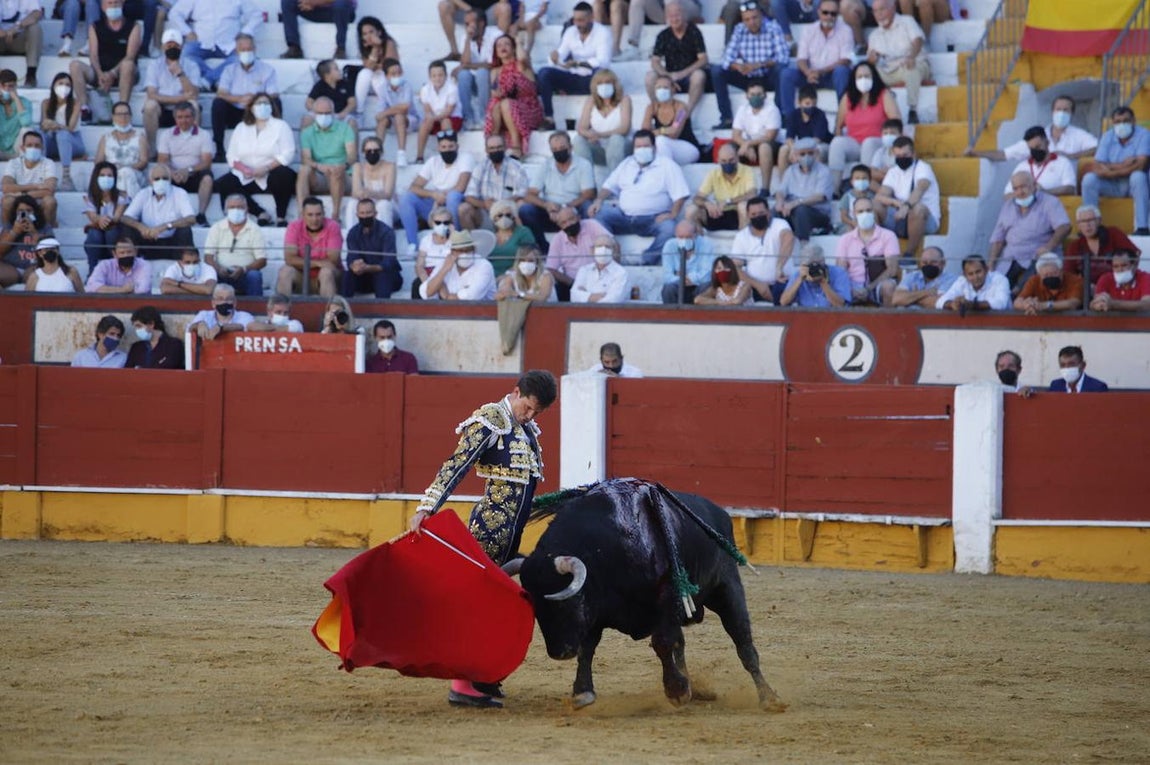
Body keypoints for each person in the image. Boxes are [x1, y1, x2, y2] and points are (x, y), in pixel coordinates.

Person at [409, 368, 558, 708]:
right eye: (529, 407)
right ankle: (463, 685)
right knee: (479, 608)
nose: (531, 415)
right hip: (488, 535)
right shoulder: (491, 419)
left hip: (509, 537)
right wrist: (427, 507)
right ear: (516, 392)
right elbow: (456, 465)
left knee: (503, 607)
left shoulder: (524, 429)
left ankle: (485, 677)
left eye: (538, 412)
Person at [589, 130, 690, 265]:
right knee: (598, 214)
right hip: (624, 216)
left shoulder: (667, 165)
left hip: (653, 219)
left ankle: (647, 260)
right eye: (638, 147)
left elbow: (681, 194)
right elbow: (608, 185)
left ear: (654, 148)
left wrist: (673, 213)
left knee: (670, 228)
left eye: (646, 146)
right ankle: (613, 251)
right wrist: (598, 200)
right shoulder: (626, 164)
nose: (641, 150)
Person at [214, 93, 297, 227]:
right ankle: (260, 213)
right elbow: (232, 156)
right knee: (225, 183)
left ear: (271, 107)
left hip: (271, 172)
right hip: (247, 175)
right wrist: (245, 169)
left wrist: (266, 168)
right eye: (259, 103)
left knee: (283, 175)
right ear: (251, 108)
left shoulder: (281, 126)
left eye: (266, 103)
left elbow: (287, 154)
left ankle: (281, 216)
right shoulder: (241, 127)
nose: (262, 106)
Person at [987, 171, 1071, 292]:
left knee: (1023, 288)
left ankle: (1016, 295)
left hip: (1039, 255)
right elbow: (998, 239)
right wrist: (991, 263)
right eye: (1016, 188)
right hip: (1012, 256)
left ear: (1034, 185)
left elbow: (1065, 226)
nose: (1020, 192)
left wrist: (1048, 247)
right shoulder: (1008, 206)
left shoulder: (1050, 202)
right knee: (994, 286)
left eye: (1023, 187)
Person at [711, 1, 789, 129]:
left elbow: (783, 58)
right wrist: (738, 66)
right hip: (747, 77)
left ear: (761, 16)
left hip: (766, 76)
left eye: (754, 18)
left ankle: (779, 114)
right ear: (742, 20)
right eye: (747, 19)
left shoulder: (773, 27)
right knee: (717, 71)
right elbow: (726, 59)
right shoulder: (740, 29)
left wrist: (759, 65)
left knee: (781, 70)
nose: (751, 22)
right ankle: (726, 118)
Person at [537, 2, 612, 127]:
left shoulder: (602, 32)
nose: (578, 24)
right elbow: (561, 55)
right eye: (575, 20)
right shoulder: (571, 31)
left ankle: (598, 119)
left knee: (601, 74)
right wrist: (554, 58)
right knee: (544, 73)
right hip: (574, 76)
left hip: (592, 78)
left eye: (581, 20)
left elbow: (603, 61)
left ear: (591, 18)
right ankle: (549, 117)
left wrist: (578, 63)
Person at [828, 61, 900, 190]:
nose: (863, 80)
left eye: (867, 76)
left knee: (868, 143)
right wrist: (838, 135)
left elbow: (896, 122)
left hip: (878, 143)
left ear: (874, 77)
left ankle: (867, 187)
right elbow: (838, 126)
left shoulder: (884, 95)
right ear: (854, 80)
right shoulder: (848, 98)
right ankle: (834, 189)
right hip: (855, 143)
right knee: (837, 143)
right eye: (859, 77)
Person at [397, 130, 474, 249]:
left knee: (453, 196)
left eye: (450, 146)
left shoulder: (465, 158)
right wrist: (433, 195)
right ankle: (412, 245)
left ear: (457, 146)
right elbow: (414, 187)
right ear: (439, 148)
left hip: (457, 203)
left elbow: (461, 186)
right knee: (406, 198)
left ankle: (455, 240)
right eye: (443, 147)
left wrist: (442, 197)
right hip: (436, 205)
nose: (447, 150)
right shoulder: (433, 161)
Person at [519, 131, 596, 248]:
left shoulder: (583, 164)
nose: (558, 151)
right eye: (554, 149)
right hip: (551, 213)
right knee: (526, 210)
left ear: (570, 148)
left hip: (574, 210)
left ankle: (585, 246)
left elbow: (589, 193)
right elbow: (529, 194)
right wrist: (546, 205)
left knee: (587, 206)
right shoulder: (545, 165)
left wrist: (565, 208)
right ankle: (543, 247)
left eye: (562, 148)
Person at [1081, 106, 1150, 236]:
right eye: (1117, 122)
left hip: (1132, 185)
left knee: (1138, 176)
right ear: (1113, 123)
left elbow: (1141, 164)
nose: (1121, 124)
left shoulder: (1144, 134)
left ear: (1134, 121)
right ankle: (1089, 224)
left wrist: (1109, 168)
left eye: (1126, 120)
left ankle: (1142, 227)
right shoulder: (1108, 136)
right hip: (1111, 184)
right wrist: (1123, 165)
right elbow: (1097, 167)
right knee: (1089, 179)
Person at [69, 0, 140, 123]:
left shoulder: (134, 26)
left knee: (128, 65)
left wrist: (112, 73)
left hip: (124, 73)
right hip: (101, 73)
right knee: (75, 66)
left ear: (122, 4)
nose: (113, 6)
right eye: (110, 3)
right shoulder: (95, 26)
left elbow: (130, 55)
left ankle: (122, 109)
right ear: (103, 6)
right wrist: (100, 73)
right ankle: (85, 109)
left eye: (116, 3)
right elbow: (94, 56)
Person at [778, 0, 852, 119]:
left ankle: (844, 117)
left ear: (837, 14)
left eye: (833, 14)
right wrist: (808, 72)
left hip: (831, 76)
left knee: (842, 71)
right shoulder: (809, 30)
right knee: (786, 74)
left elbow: (845, 60)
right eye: (825, 13)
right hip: (810, 75)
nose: (829, 17)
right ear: (818, 12)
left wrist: (820, 71)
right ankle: (789, 120)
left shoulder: (845, 30)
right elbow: (801, 59)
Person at [970, 95, 1099, 162]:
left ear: (1072, 113)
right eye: (1058, 109)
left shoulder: (1078, 135)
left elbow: (1098, 147)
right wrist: (976, 153)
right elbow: (1004, 154)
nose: (1061, 113)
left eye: (1066, 110)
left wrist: (1072, 156)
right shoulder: (1039, 136)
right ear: (1052, 112)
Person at [211, 34, 279, 161]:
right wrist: (239, 99)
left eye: (249, 49)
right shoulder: (229, 70)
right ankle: (219, 149)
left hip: (257, 112)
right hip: (235, 111)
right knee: (218, 104)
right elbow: (221, 92)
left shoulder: (267, 70)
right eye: (243, 50)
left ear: (255, 49)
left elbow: (273, 94)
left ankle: (274, 147)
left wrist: (255, 100)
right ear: (237, 51)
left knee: (276, 103)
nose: (247, 52)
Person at [167, 0, 263, 88]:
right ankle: (217, 79)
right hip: (201, 43)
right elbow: (174, 14)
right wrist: (187, 32)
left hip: (230, 43)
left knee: (243, 57)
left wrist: (245, 33)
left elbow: (257, 15)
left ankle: (207, 80)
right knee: (185, 55)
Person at [875, 135, 940, 263]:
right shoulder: (893, 172)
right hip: (900, 217)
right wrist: (895, 202)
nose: (901, 159)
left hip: (924, 220)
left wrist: (906, 206)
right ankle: (877, 250)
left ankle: (909, 254)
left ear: (913, 153)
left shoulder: (923, 168)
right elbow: (880, 196)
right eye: (898, 156)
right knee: (874, 206)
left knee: (918, 208)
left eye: (905, 155)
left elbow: (920, 188)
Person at [867, 0, 929, 125]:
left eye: (882, 9)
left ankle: (912, 110)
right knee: (867, 73)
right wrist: (871, 60)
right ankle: (872, 112)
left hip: (910, 64)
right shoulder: (874, 35)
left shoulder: (907, 21)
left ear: (893, 8)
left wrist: (912, 56)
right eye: (875, 11)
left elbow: (918, 40)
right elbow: (871, 58)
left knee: (912, 68)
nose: (879, 14)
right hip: (887, 70)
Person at [142, 30, 202, 158]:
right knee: (150, 106)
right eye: (169, 45)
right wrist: (179, 98)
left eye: (176, 45)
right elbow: (152, 94)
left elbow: (193, 94)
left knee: (193, 105)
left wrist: (180, 73)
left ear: (181, 47)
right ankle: (151, 148)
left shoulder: (191, 65)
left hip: (183, 110)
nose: (172, 48)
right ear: (163, 47)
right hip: (163, 110)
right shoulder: (155, 65)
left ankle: (193, 149)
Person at [295, 97, 356, 218]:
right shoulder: (307, 133)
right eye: (320, 113)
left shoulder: (345, 128)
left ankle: (335, 215)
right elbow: (305, 158)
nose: (324, 116)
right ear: (314, 114)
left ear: (333, 113)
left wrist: (342, 166)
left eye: (327, 113)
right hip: (319, 174)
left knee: (337, 172)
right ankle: (302, 215)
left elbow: (352, 156)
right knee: (303, 170)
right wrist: (319, 166)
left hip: (343, 175)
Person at [646, 0, 710, 115]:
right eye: (671, 16)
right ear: (667, 17)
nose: (674, 19)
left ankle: (686, 114)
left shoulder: (694, 32)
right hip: (669, 77)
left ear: (684, 15)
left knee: (699, 75)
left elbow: (703, 59)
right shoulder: (663, 35)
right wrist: (667, 76)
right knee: (650, 77)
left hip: (688, 77)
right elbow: (655, 61)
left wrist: (682, 74)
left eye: (677, 15)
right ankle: (657, 111)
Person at [485, 34, 542, 160]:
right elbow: (494, 93)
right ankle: (493, 143)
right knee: (496, 103)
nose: (502, 47)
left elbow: (522, 57)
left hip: (528, 109)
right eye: (499, 45)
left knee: (506, 103)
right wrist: (497, 94)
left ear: (513, 48)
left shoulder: (521, 65)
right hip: (504, 110)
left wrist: (518, 42)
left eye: (507, 44)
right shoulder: (495, 71)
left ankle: (516, 146)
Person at [156, 101, 213, 227]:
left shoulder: (204, 134)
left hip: (195, 174)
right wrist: (173, 172)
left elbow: (207, 162)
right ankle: (161, 214)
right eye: (180, 117)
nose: (184, 120)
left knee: (208, 178)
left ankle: (201, 214)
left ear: (193, 118)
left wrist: (188, 170)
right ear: (175, 118)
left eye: (187, 117)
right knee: (159, 176)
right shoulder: (166, 134)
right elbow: (162, 160)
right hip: (174, 174)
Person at [122, 164, 196, 260]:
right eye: (157, 179)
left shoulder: (180, 193)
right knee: (128, 228)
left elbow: (191, 219)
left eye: (165, 178)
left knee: (185, 230)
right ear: (150, 181)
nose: (161, 181)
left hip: (171, 243)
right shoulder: (143, 193)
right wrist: (141, 227)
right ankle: (129, 263)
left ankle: (184, 264)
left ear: (170, 180)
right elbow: (125, 217)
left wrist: (166, 226)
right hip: (147, 241)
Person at [835, 195, 899, 304]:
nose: (865, 214)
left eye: (869, 210)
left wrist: (869, 288)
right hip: (852, 285)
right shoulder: (845, 239)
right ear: (854, 215)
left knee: (888, 287)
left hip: (877, 284)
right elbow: (841, 270)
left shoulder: (888, 236)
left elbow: (892, 270)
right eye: (860, 211)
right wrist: (851, 290)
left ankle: (888, 320)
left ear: (874, 212)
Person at [461, 133, 530, 231]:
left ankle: (522, 241)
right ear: (486, 150)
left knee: (522, 205)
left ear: (505, 147)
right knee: (463, 209)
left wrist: (500, 205)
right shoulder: (480, 167)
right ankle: (472, 244)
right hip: (486, 213)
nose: (495, 150)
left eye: (499, 147)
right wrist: (484, 204)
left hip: (509, 212)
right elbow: (469, 196)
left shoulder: (517, 167)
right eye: (492, 148)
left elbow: (522, 193)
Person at [277, 196, 343, 298]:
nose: (314, 219)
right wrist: (317, 263)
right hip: (301, 276)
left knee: (326, 272)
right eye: (310, 215)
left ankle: (329, 312)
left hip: (327, 277)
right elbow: (289, 259)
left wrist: (304, 262)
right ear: (303, 215)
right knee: (285, 271)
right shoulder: (294, 227)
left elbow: (332, 260)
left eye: (318, 214)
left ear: (324, 214)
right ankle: (281, 311)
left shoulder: (333, 226)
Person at [731, 195, 793, 303]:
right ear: (748, 216)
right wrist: (758, 285)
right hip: (755, 287)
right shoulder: (741, 236)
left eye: (761, 213)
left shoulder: (779, 224)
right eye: (753, 214)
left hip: (782, 282)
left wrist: (779, 267)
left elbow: (788, 238)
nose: (758, 217)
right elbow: (735, 267)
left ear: (768, 212)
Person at [774, 137, 834, 246]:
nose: (806, 157)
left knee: (801, 210)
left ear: (816, 153)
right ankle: (772, 244)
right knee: (774, 211)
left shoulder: (824, 171)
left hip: (817, 214)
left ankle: (803, 245)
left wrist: (796, 203)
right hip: (793, 211)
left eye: (810, 153)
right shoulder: (791, 171)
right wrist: (780, 202)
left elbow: (819, 197)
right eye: (802, 154)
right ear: (796, 155)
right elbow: (781, 190)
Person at [203, 194, 267, 296]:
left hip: (245, 274)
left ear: (247, 210)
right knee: (209, 274)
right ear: (225, 210)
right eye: (232, 207)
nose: (236, 210)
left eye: (240, 207)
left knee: (255, 276)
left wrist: (243, 269)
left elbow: (262, 260)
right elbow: (208, 257)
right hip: (221, 274)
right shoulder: (216, 228)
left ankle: (255, 310)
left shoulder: (255, 229)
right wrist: (219, 268)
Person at [1063, 204, 1139, 287]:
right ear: (1078, 225)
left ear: (1099, 221)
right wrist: (1085, 286)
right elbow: (1068, 274)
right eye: (1083, 221)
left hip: (1116, 286)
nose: (1087, 225)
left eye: (1091, 220)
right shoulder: (1074, 246)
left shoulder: (1114, 233)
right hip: (1088, 290)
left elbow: (1135, 255)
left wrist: (1127, 277)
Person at [687, 142, 756, 231]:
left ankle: (742, 240)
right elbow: (697, 198)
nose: (728, 163)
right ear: (718, 160)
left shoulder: (747, 171)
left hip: (737, 215)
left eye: (731, 160)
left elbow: (752, 194)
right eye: (724, 161)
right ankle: (699, 242)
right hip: (717, 213)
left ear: (737, 158)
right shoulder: (713, 174)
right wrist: (707, 203)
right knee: (691, 210)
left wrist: (729, 201)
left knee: (743, 206)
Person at [546, 205, 610, 301]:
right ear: (559, 226)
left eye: (571, 219)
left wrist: (611, 272)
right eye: (563, 223)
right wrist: (573, 283)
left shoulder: (592, 225)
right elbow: (551, 269)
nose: (568, 224)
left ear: (579, 217)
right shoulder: (557, 240)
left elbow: (613, 244)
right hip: (572, 283)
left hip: (598, 279)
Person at [343, 198, 402, 299]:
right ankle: (341, 308)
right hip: (364, 277)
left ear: (375, 213)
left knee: (382, 275)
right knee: (348, 275)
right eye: (362, 213)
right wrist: (355, 266)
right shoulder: (353, 233)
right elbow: (352, 257)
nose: (365, 216)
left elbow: (389, 262)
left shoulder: (386, 232)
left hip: (388, 277)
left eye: (368, 212)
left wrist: (368, 267)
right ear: (357, 215)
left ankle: (382, 311)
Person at [573, 68, 631, 170]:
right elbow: (582, 128)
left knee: (616, 139)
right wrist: (589, 135)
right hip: (599, 147)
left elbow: (624, 129)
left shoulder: (624, 100)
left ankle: (614, 183)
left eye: (608, 82)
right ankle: (587, 183)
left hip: (621, 148)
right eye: (600, 83)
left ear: (614, 84)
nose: (604, 86)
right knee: (578, 140)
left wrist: (599, 135)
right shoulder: (591, 100)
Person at [730, 81, 781, 194]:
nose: (755, 97)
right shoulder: (742, 109)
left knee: (764, 147)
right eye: (752, 94)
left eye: (759, 94)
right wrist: (747, 145)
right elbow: (735, 135)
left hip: (771, 144)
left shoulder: (772, 110)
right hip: (751, 143)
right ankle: (735, 189)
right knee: (730, 149)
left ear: (765, 95)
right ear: (747, 96)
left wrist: (748, 144)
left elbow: (769, 136)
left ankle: (765, 189)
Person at [456, 9, 503, 129]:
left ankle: (485, 117)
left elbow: (493, 64)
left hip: (493, 81)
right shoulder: (465, 37)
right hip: (475, 81)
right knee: (463, 75)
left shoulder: (496, 35)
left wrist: (469, 65)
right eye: (466, 24)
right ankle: (468, 119)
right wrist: (468, 38)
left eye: (470, 24)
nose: (468, 28)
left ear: (481, 23)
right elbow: (465, 62)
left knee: (482, 73)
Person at [420, 229, 497, 300]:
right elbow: (427, 292)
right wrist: (443, 271)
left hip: (481, 312)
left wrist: (446, 296)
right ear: (452, 252)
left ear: (474, 250)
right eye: (460, 250)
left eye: (468, 250)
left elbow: (471, 296)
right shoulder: (446, 263)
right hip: (451, 313)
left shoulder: (484, 265)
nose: (465, 254)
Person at [40, 73, 85, 193]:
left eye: (67, 85)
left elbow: (70, 128)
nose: (64, 87)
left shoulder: (75, 103)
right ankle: (41, 175)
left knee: (63, 134)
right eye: (60, 83)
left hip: (73, 142)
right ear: (54, 85)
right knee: (38, 135)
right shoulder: (46, 103)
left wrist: (56, 125)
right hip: (53, 142)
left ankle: (66, 177)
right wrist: (47, 125)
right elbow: (43, 125)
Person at [1002, 126, 1077, 197]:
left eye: (1038, 146)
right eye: (1032, 149)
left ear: (1047, 143)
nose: (1035, 151)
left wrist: (1044, 193)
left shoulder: (1063, 162)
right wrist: (1024, 194)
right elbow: (1007, 195)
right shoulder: (1022, 166)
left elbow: (1070, 188)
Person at [643, 73, 701, 165]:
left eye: (665, 88)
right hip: (665, 148)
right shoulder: (651, 108)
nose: (661, 90)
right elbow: (644, 132)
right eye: (658, 88)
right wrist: (664, 131)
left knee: (661, 141)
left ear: (673, 89)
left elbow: (675, 132)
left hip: (687, 148)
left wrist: (658, 131)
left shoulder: (682, 107)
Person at [1, 131, 57, 227]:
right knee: (7, 201)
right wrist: (35, 186)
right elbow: (6, 187)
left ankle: (45, 234)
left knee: (50, 201)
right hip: (18, 202)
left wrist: (21, 194)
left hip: (37, 202)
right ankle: (7, 232)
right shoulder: (13, 163)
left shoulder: (48, 163)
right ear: (22, 148)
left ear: (42, 148)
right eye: (29, 145)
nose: (33, 148)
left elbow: (49, 190)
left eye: (37, 145)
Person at [95, 101, 147, 198]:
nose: (123, 117)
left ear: (131, 116)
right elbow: (99, 161)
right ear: (113, 117)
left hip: (134, 174)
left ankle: (129, 208)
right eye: (119, 114)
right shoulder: (106, 137)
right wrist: (112, 169)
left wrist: (126, 168)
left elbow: (143, 161)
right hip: (111, 174)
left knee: (125, 173)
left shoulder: (140, 136)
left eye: (126, 114)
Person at [416, 60, 463, 164]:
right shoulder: (425, 89)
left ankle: (448, 154)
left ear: (446, 75)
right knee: (425, 123)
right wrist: (431, 119)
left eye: (440, 75)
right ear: (430, 77)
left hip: (452, 119)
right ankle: (419, 156)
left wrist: (434, 118)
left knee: (445, 121)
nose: (437, 78)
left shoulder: (452, 88)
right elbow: (427, 109)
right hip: (435, 119)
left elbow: (449, 111)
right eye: (434, 75)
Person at [0, 193, 52, 287]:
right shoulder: (9, 225)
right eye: (20, 211)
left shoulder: (44, 227)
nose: (25, 214)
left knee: (40, 276)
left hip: (34, 267)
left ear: (35, 212)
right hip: (10, 267)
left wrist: (34, 232)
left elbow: (50, 252)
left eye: (29, 211)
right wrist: (14, 232)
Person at [436, 0, 513, 63]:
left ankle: (498, 53)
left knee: (504, 7)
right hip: (466, 11)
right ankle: (454, 52)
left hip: (487, 12)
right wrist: (470, 10)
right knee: (443, 6)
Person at [374, 59, 418, 167]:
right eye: (393, 74)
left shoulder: (406, 85)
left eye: (399, 73)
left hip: (410, 119)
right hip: (391, 120)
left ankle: (401, 153)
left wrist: (387, 112)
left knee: (399, 116)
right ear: (386, 76)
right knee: (382, 121)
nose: (397, 76)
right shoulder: (382, 88)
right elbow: (379, 114)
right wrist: (386, 113)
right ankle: (377, 151)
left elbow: (405, 107)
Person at [779, 84, 832, 173]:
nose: (811, 106)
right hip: (802, 146)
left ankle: (815, 182)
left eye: (813, 103)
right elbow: (789, 138)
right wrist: (793, 148)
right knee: (784, 150)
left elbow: (817, 140)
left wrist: (799, 151)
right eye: (807, 103)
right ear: (799, 103)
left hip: (822, 145)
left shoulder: (820, 115)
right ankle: (784, 184)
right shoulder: (794, 115)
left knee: (817, 151)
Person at [778, 243, 851, 307]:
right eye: (810, 266)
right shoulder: (798, 275)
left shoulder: (839, 273)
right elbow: (783, 302)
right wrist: (800, 279)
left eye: (817, 265)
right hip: (806, 318)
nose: (813, 269)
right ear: (803, 265)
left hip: (832, 317)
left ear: (823, 262)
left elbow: (841, 305)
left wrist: (823, 283)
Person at [661, 219, 715, 304]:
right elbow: (667, 276)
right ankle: (671, 316)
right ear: (675, 235)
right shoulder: (669, 245)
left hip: (698, 286)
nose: (684, 240)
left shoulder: (706, 245)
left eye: (688, 237)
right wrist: (682, 279)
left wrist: (687, 277)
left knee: (707, 286)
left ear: (695, 235)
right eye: (681, 237)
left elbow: (707, 275)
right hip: (678, 285)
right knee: (668, 289)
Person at [280, 0, 355, 60]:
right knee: (287, 1)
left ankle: (341, 49)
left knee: (341, 4)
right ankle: (294, 48)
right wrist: (307, 2)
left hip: (343, 11)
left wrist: (315, 2)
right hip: (316, 8)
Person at [935, 254, 1011, 313]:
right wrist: (952, 304)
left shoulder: (1000, 279)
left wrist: (972, 305)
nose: (975, 277)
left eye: (978, 272)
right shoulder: (962, 281)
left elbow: (1000, 303)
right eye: (970, 274)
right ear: (964, 275)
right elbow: (940, 302)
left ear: (986, 270)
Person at [1013, 252, 1082, 315]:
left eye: (1054, 273)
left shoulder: (1074, 280)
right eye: (1046, 275)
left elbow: (1073, 303)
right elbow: (1017, 302)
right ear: (1039, 275)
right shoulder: (1034, 280)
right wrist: (1027, 305)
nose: (1050, 277)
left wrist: (1046, 305)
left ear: (1061, 271)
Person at [891, 245, 955, 309]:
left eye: (933, 262)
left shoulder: (951, 280)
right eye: (924, 262)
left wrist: (910, 297)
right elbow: (896, 299)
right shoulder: (912, 276)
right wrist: (926, 292)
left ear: (943, 263)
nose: (929, 265)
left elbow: (937, 302)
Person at [571, 234, 629, 303]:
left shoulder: (621, 272)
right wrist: (594, 296)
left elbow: (613, 300)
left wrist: (585, 295)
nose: (603, 250)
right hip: (585, 312)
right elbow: (573, 296)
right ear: (592, 251)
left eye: (607, 247)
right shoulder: (584, 270)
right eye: (599, 246)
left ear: (613, 251)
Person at [85, 235, 153, 294]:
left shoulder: (144, 265)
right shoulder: (105, 265)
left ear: (135, 251)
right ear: (114, 254)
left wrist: (107, 290)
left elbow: (143, 289)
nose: (126, 255)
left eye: (129, 252)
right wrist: (122, 290)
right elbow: (91, 286)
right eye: (122, 253)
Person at [413, 205, 455, 299]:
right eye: (438, 222)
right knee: (417, 284)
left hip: (448, 275)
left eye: (446, 222)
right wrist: (428, 282)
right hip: (428, 275)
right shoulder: (426, 240)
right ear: (432, 223)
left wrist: (452, 237)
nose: (442, 225)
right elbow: (419, 265)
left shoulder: (455, 240)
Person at [1090, 249, 1150, 313]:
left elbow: (1147, 304)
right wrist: (1098, 303)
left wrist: (1113, 304)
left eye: (1124, 265)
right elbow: (1095, 302)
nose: (1120, 269)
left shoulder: (1145, 278)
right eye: (1116, 266)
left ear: (1134, 265)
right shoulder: (1105, 279)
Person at [304, 59, 357, 131]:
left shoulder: (345, 84)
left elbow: (352, 103)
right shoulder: (319, 86)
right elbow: (308, 103)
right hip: (323, 115)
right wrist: (319, 113)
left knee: (352, 122)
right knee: (306, 120)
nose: (339, 71)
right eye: (336, 69)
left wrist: (343, 113)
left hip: (341, 114)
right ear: (327, 75)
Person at [486, 200, 537, 275]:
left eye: (508, 215)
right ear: (494, 218)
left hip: (515, 275)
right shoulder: (489, 236)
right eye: (500, 215)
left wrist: (506, 275)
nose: (504, 218)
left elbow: (529, 257)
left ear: (513, 217)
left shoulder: (523, 232)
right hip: (489, 275)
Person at [188, 283, 255, 339]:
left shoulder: (245, 316)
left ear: (234, 303)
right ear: (213, 303)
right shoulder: (204, 315)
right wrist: (198, 324)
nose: (224, 302)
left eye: (229, 299)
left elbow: (242, 326)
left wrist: (222, 328)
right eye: (220, 299)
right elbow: (189, 329)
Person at [0, 0, 42, 88]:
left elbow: (37, 13)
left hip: (19, 38)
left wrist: (18, 26)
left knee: (35, 28)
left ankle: (31, 74)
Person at [0, 69, 31, 160]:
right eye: (3, 86)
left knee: (27, 130)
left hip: (16, 150)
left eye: (10, 86)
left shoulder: (25, 102)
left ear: (16, 86)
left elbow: (26, 122)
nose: (6, 89)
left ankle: (23, 161)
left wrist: (17, 99)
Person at [837, 163, 876, 231]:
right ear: (851, 181)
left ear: (869, 181)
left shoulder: (872, 197)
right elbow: (843, 216)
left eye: (864, 178)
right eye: (857, 178)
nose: (861, 181)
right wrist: (852, 222)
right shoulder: (847, 196)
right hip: (851, 224)